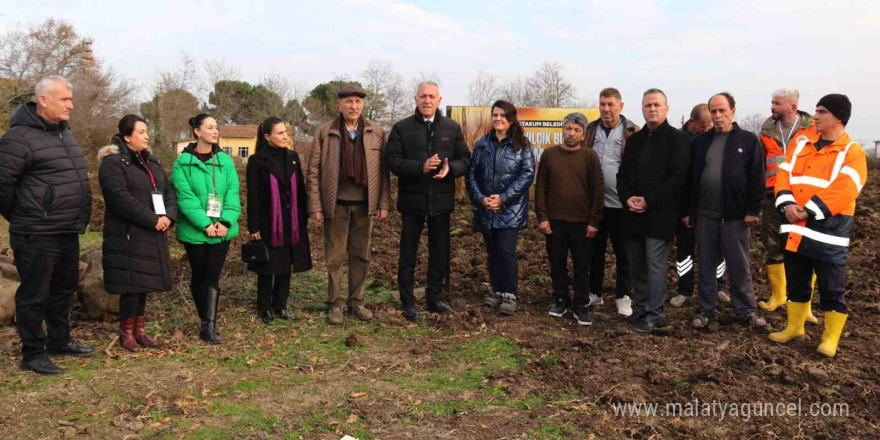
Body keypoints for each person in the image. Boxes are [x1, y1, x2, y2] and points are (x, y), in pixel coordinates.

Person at [0, 75, 94, 375]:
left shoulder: (63, 133)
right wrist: (27, 217)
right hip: (36, 232)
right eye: (65, 99)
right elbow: (2, 185)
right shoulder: (18, 138)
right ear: (43, 100)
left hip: (66, 228)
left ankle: (59, 340)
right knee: (34, 293)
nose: (71, 105)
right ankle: (32, 354)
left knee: (63, 288)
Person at [770, 94, 867, 358]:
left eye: (821, 111)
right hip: (794, 230)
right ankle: (794, 327)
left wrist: (807, 210)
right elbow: (783, 176)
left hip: (828, 232)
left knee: (831, 288)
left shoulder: (852, 152)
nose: (815, 116)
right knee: (797, 283)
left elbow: (847, 189)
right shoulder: (802, 145)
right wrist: (787, 205)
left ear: (838, 117)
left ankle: (830, 338)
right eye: (816, 110)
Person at [386, 81, 471, 321]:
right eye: (423, 96)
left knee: (439, 253)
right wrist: (420, 167)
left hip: (441, 202)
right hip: (412, 202)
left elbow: (465, 158)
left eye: (431, 96)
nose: (427, 100)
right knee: (408, 254)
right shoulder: (401, 128)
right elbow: (392, 161)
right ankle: (408, 300)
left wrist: (451, 168)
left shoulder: (451, 128)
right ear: (415, 99)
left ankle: (434, 297)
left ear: (439, 100)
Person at [307, 86, 390, 325]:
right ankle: (335, 304)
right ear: (339, 105)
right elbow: (313, 170)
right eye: (348, 102)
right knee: (334, 256)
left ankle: (357, 301)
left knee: (361, 255)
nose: (353, 106)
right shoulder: (325, 131)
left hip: (365, 204)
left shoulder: (377, 132)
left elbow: (383, 171)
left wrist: (383, 202)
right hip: (336, 204)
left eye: (357, 102)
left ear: (363, 104)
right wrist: (315, 204)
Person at [684, 93, 767, 329]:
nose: (718, 116)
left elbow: (757, 178)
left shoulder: (748, 141)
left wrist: (753, 210)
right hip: (706, 216)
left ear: (733, 110)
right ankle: (707, 311)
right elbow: (692, 180)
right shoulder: (699, 143)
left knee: (739, 265)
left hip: (736, 217)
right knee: (706, 265)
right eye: (714, 111)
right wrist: (690, 211)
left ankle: (746, 311)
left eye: (722, 110)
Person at [97, 115, 177, 351]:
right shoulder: (113, 163)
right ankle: (126, 333)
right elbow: (120, 199)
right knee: (131, 287)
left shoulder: (153, 163)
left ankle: (140, 331)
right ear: (126, 136)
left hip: (152, 232)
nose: (146, 135)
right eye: (141, 132)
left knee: (143, 285)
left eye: (146, 131)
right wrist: (153, 219)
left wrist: (168, 217)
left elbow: (169, 192)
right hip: (128, 234)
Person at [617, 89, 689, 334]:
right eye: (648, 105)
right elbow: (622, 174)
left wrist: (648, 200)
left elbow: (677, 178)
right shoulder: (635, 140)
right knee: (636, 265)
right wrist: (627, 198)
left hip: (659, 215)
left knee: (655, 267)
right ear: (642, 109)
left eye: (657, 104)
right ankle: (640, 310)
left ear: (666, 109)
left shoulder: (676, 139)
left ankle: (655, 315)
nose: (652, 109)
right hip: (633, 214)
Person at [171, 113, 240, 344]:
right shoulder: (182, 164)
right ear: (197, 131)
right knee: (199, 275)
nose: (215, 131)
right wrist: (205, 224)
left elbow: (232, 193)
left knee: (212, 276)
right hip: (195, 232)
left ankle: (209, 325)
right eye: (210, 127)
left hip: (222, 230)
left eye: (216, 127)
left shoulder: (226, 161)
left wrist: (225, 221)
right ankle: (205, 321)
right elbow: (185, 198)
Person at [466, 100, 536, 315]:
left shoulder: (522, 146)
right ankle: (496, 291)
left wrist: (503, 198)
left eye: (503, 115)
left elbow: (527, 175)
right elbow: (471, 175)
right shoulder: (481, 145)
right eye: (495, 114)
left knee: (506, 251)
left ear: (511, 119)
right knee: (492, 252)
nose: (498, 118)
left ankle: (509, 294)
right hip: (487, 208)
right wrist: (481, 199)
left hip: (510, 210)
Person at [757, 88, 819, 323]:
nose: (772, 107)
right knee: (773, 244)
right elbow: (759, 162)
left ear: (792, 106)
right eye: (772, 102)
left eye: (777, 103)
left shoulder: (811, 129)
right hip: (772, 195)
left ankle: (806, 304)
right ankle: (778, 296)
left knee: (805, 248)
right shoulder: (766, 130)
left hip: (802, 197)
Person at [535, 112, 604, 325]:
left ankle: (581, 304)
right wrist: (542, 217)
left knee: (583, 266)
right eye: (568, 129)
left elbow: (598, 190)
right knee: (557, 264)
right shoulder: (549, 155)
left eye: (576, 130)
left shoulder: (589, 157)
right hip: (555, 221)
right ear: (562, 130)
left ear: (583, 135)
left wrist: (594, 221)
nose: (571, 133)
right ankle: (560, 299)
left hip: (582, 223)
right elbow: (541, 188)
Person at [247, 117, 312, 324]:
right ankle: (264, 307)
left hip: (291, 221)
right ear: (267, 136)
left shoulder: (293, 157)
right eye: (280, 133)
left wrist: (303, 216)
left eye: (286, 132)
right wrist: (254, 225)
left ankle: (280, 305)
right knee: (268, 266)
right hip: (268, 222)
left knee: (286, 265)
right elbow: (253, 196)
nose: (285, 136)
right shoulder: (257, 161)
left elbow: (300, 189)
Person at [583, 88, 638, 317]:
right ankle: (594, 292)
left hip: (621, 204)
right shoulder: (591, 130)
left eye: (611, 104)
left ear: (620, 106)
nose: (606, 109)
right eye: (602, 104)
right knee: (594, 251)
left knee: (624, 253)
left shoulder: (632, 131)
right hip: (595, 204)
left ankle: (623, 296)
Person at [671, 104, 729, 307]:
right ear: (691, 122)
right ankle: (684, 289)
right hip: (685, 206)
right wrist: (685, 211)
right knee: (685, 251)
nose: (706, 129)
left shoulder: (714, 138)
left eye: (709, 125)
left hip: (710, 206)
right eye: (703, 126)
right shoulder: (678, 140)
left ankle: (719, 286)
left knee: (717, 250)